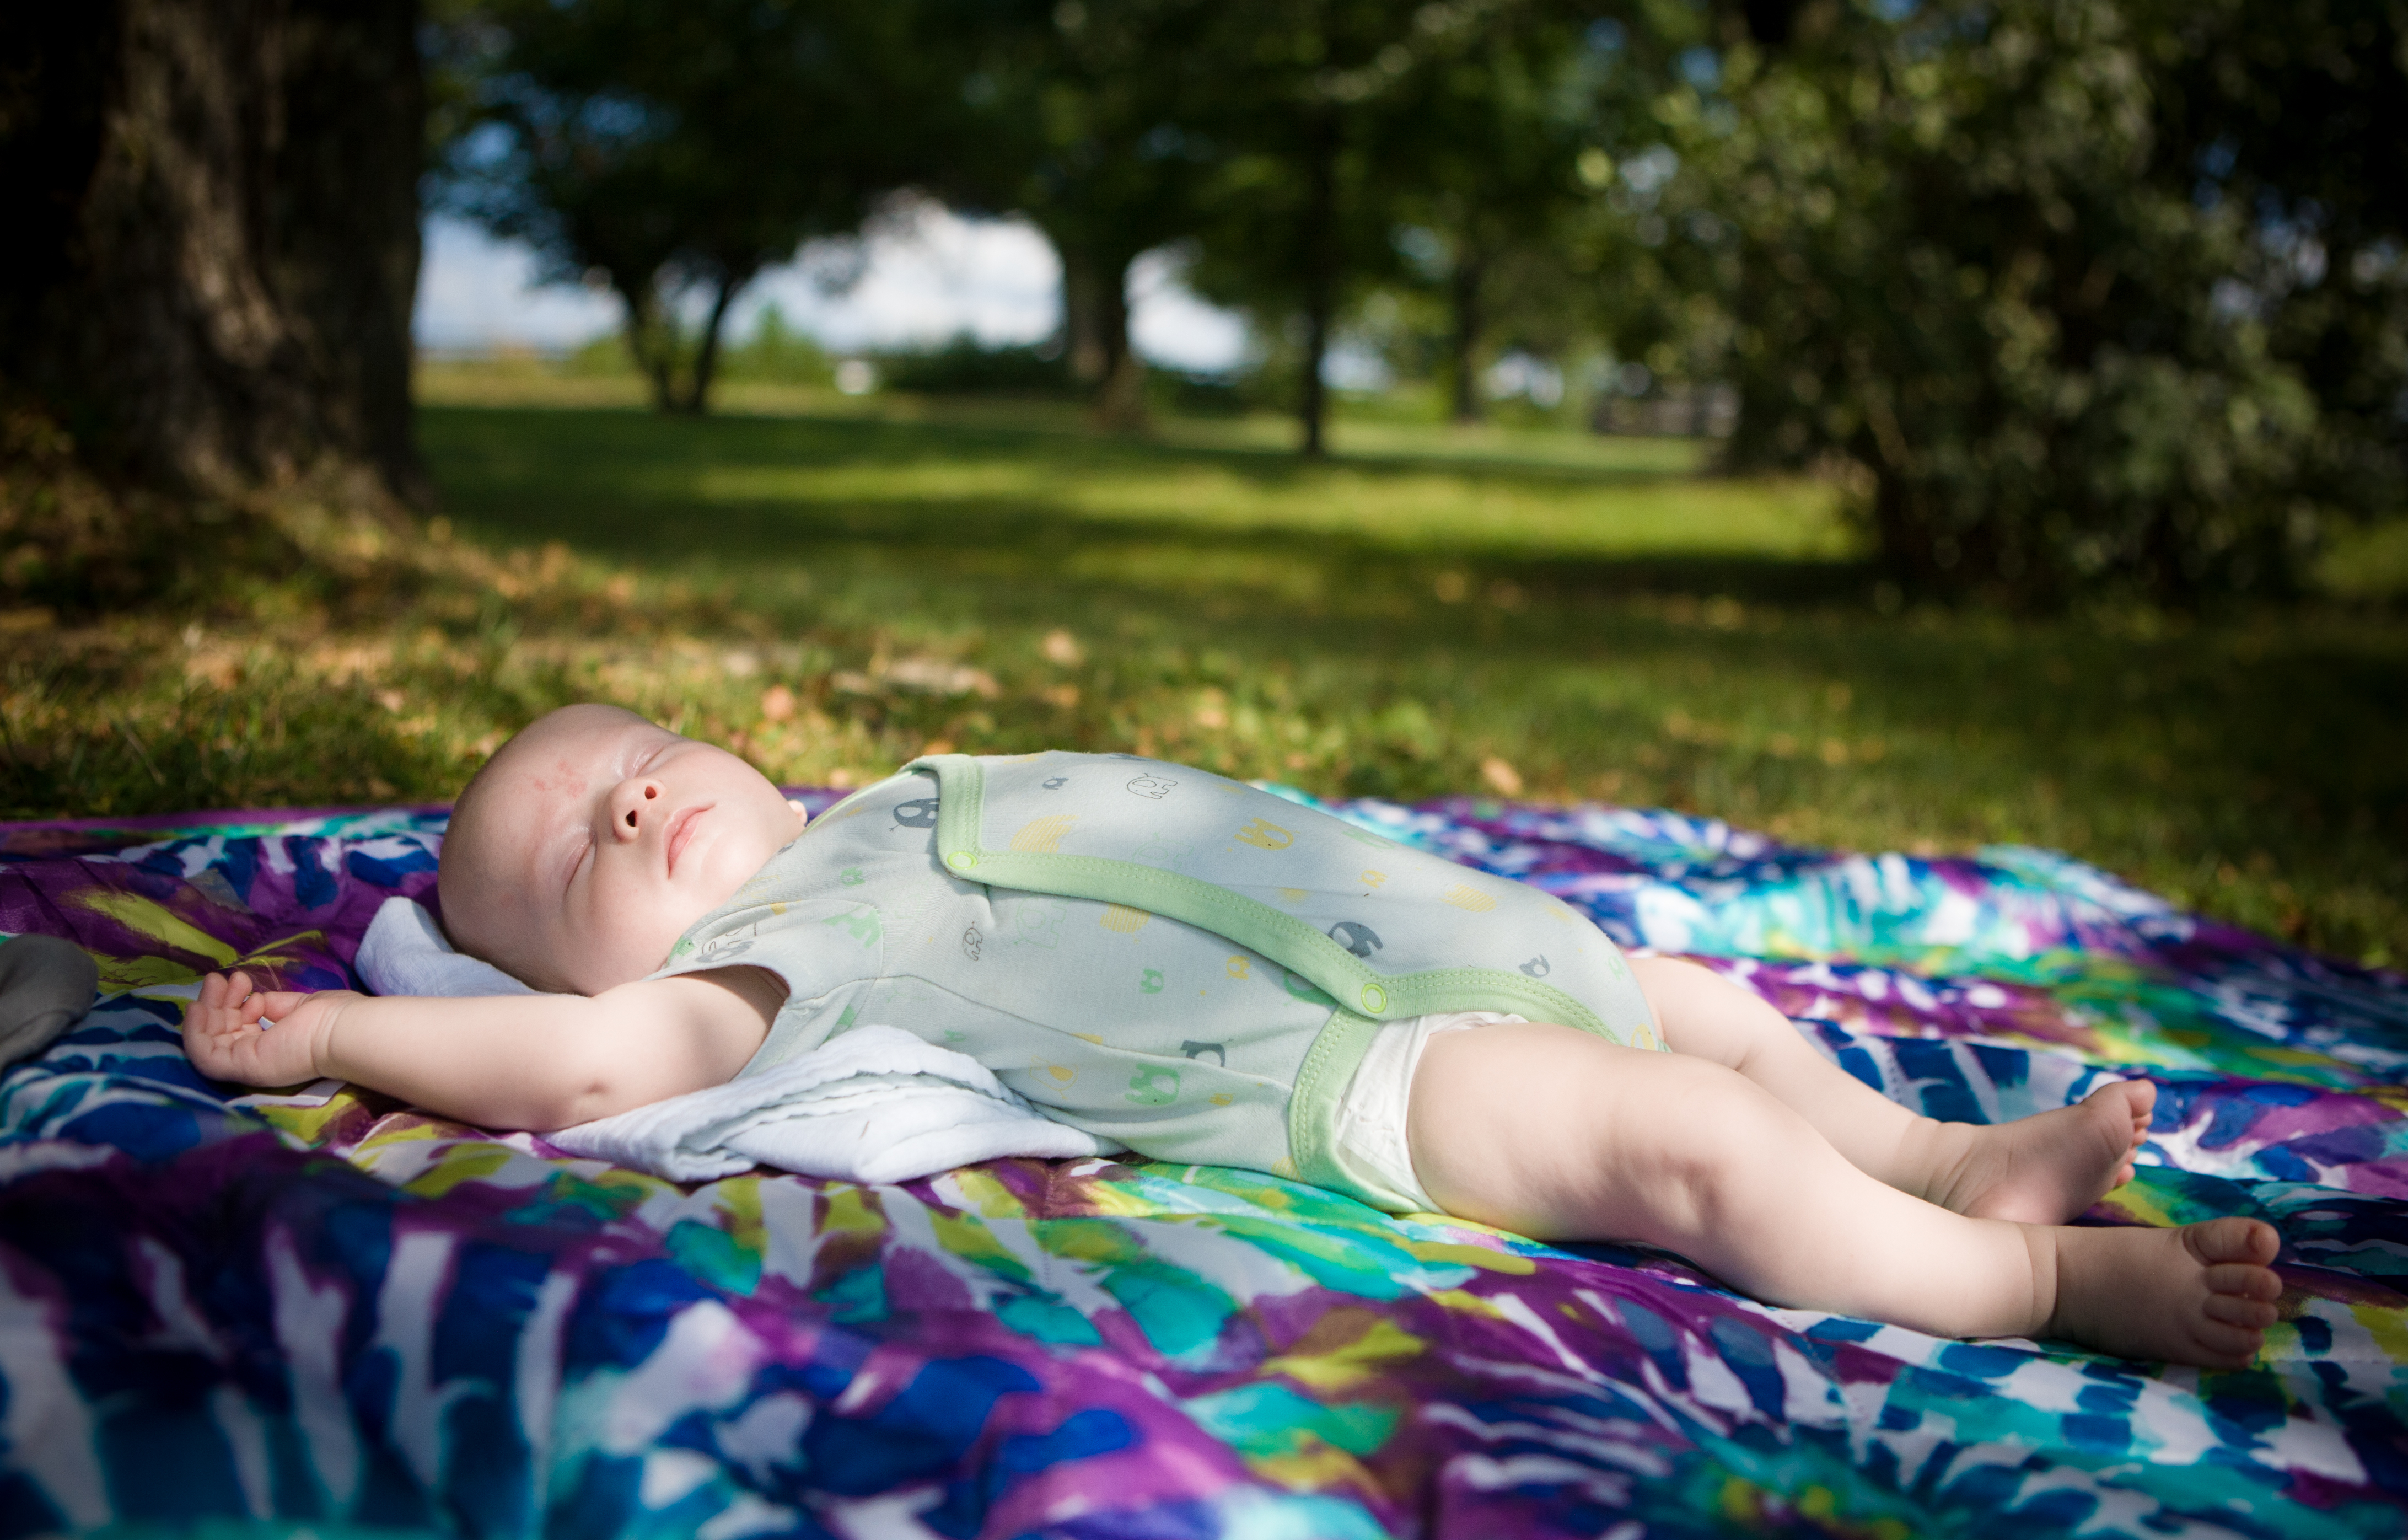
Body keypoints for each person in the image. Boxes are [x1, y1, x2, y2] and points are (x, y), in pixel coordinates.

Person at [184, 703, 2285, 1368]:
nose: (633, 801)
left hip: (1456, 928)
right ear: (583, 966)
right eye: (580, 857)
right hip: (1363, 1065)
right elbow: (577, 1077)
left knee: (1726, 1017)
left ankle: (1931, 1161)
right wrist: (345, 1047)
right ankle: (2025, 1279)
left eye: (635, 750)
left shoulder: (905, 796)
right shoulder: (768, 967)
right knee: (1692, 1147)